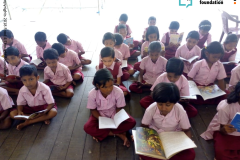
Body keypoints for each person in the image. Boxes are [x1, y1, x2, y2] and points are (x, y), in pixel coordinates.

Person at [139, 82, 195, 160]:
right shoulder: (151, 109)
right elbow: (144, 126)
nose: (163, 108)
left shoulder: (180, 111)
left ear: (174, 103)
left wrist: (186, 143)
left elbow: (186, 130)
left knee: (190, 154)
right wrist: (141, 137)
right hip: (156, 136)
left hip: (174, 137)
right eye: (160, 104)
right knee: (143, 151)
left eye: (168, 105)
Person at [83, 69, 136, 147]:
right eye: (105, 87)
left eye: (111, 85)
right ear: (97, 86)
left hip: (114, 113)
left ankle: (106, 133)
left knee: (132, 122)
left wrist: (116, 118)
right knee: (87, 128)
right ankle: (119, 134)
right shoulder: (92, 94)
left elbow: (119, 107)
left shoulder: (118, 91)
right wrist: (100, 119)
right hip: (99, 114)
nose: (109, 89)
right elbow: (93, 110)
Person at [10, 65, 57, 130]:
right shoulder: (22, 90)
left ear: (37, 78)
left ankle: (28, 122)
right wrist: (20, 111)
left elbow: (51, 103)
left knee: (53, 112)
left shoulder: (45, 88)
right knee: (13, 114)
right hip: (30, 109)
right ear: (21, 80)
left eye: (31, 79)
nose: (28, 83)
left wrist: (44, 112)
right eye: (24, 80)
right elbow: (20, 103)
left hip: (43, 108)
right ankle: (41, 118)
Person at [201, 81, 240, 160]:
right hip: (227, 133)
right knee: (222, 153)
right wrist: (225, 129)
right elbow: (222, 129)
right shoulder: (226, 106)